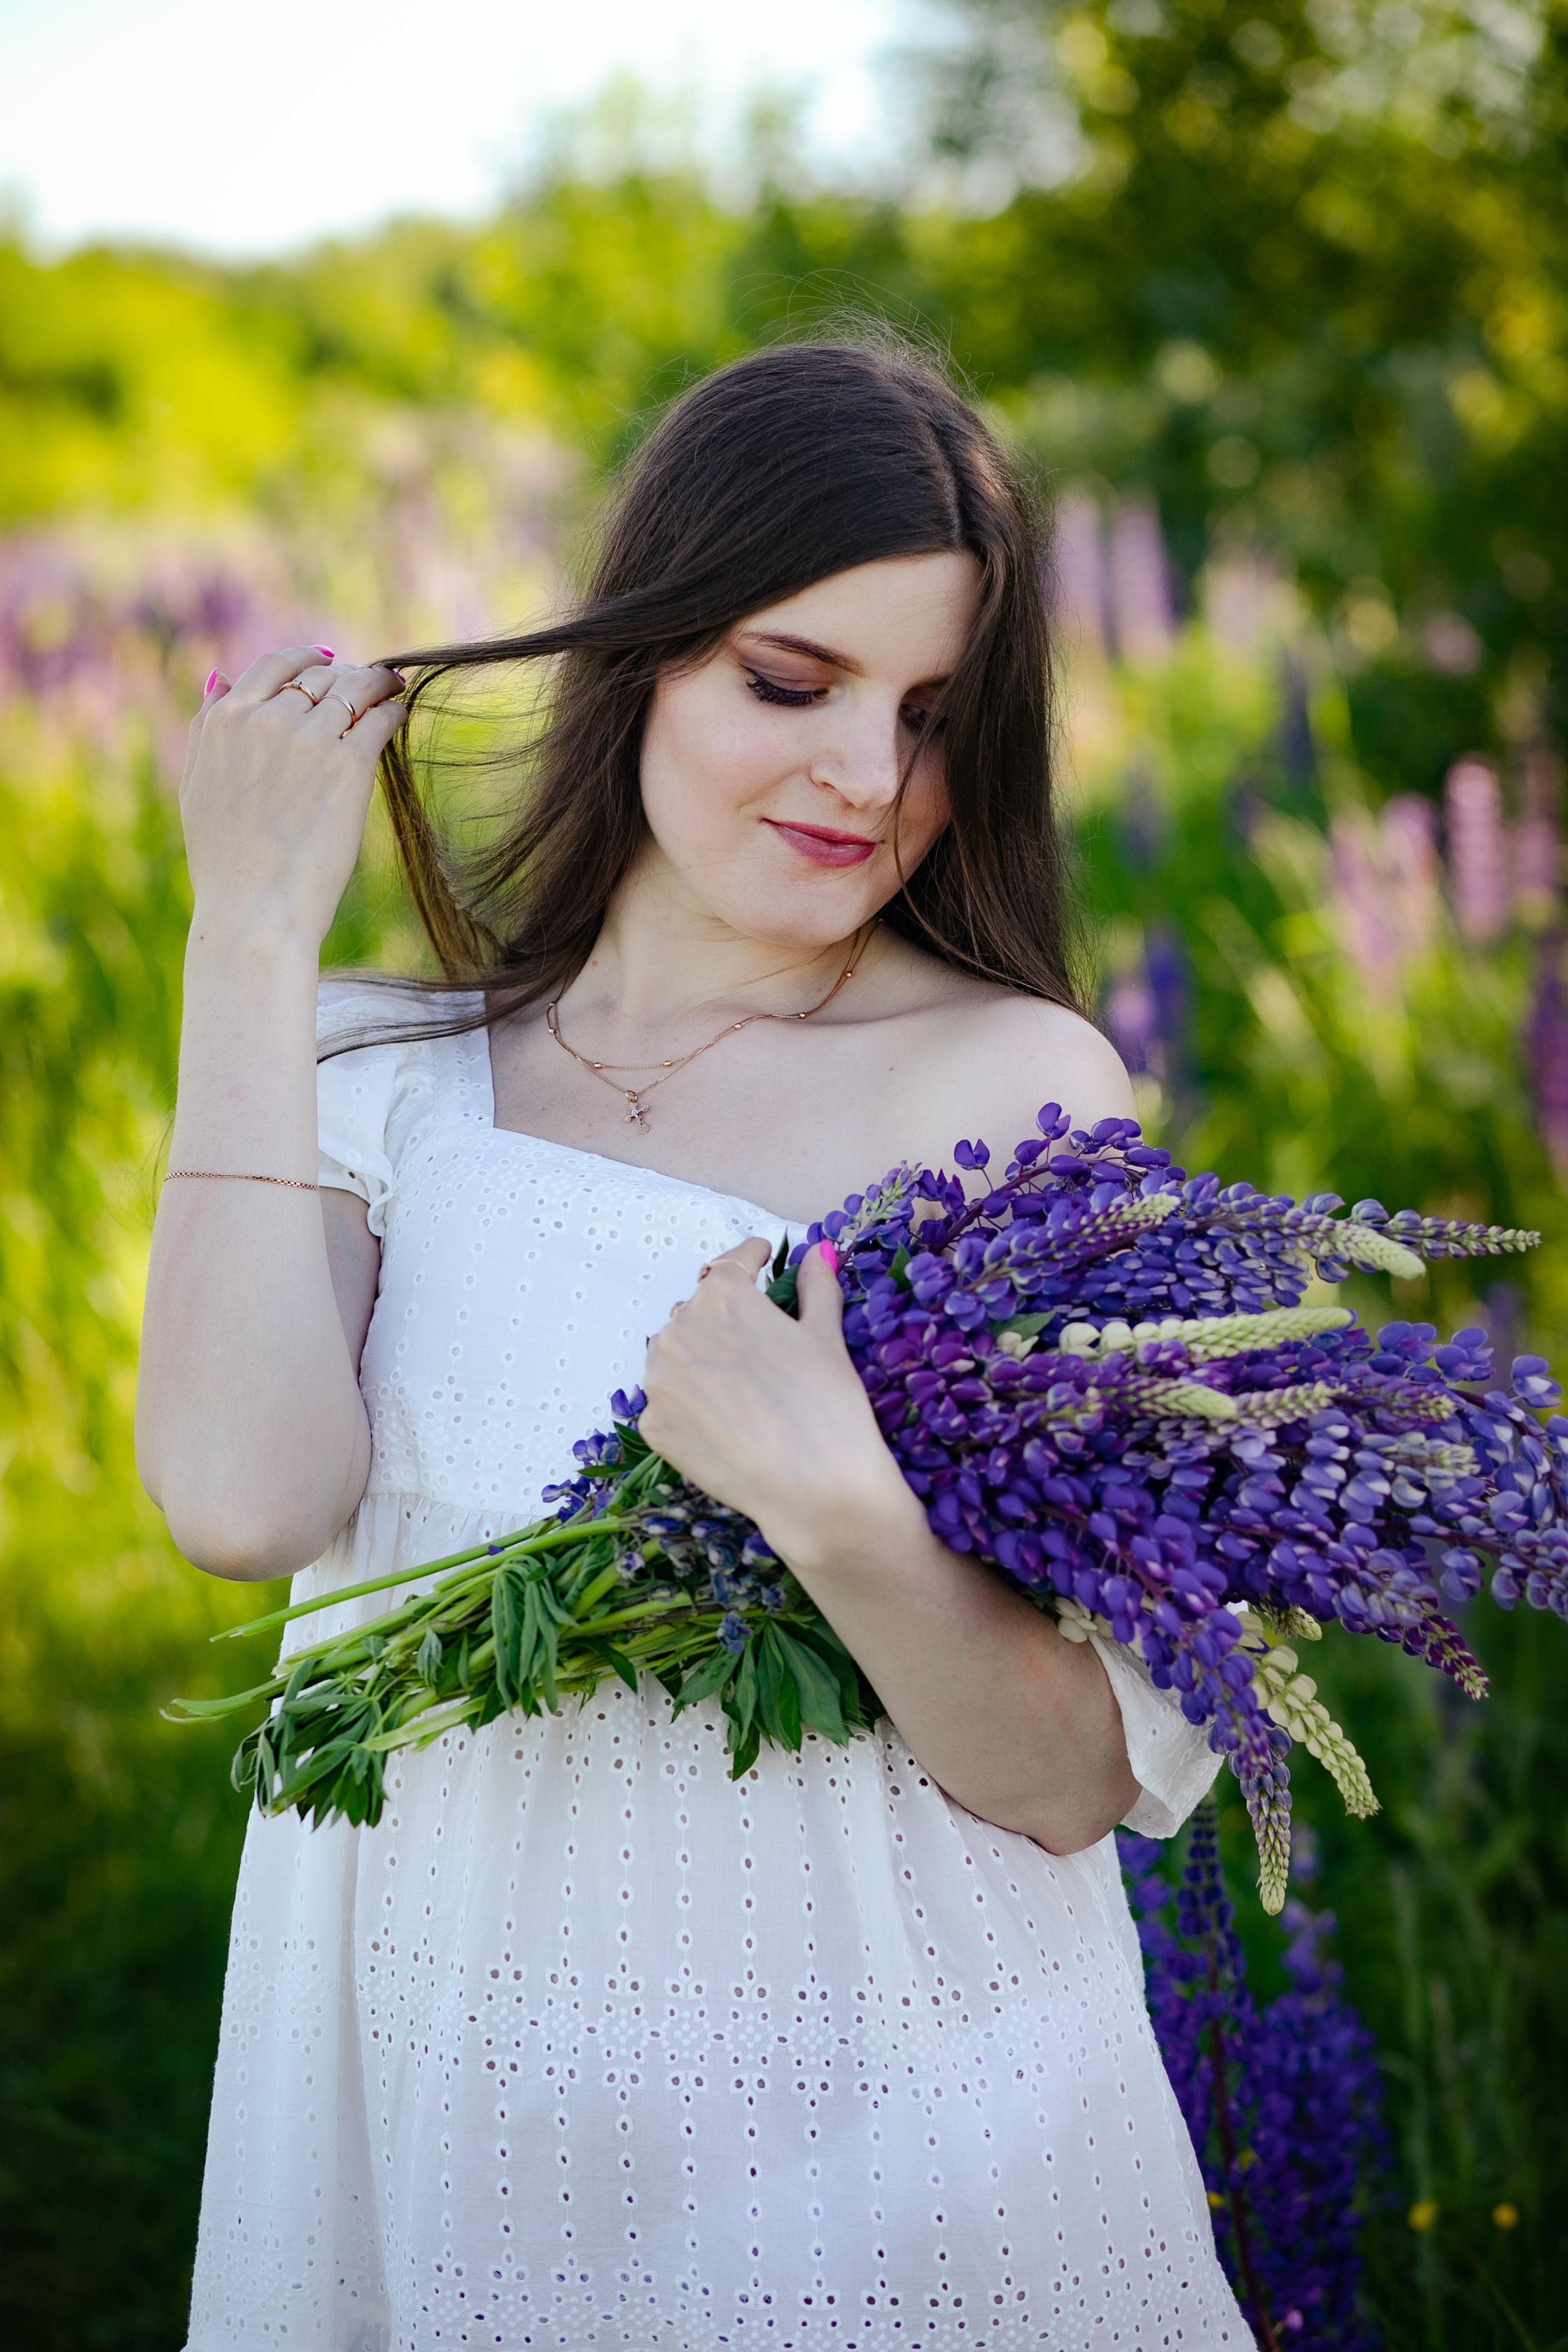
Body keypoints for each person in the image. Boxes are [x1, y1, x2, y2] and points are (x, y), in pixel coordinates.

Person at [138, 340, 1247, 2350]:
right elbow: (239, 1497)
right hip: (450, 2100)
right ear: (640, 653)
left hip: (895, 2140)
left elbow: (1073, 1771)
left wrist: (842, 1511)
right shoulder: (388, 1069)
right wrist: (253, 937)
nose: (870, 779)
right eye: (791, 683)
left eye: (933, 716)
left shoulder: (1006, 1087)